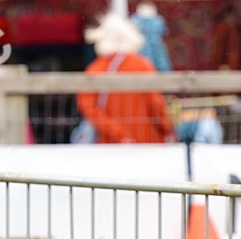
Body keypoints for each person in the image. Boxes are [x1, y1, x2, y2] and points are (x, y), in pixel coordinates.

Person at [73, 12, 175, 144]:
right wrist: (168, 130)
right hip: (147, 141)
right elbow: (156, 104)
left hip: (110, 144)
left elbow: (88, 108)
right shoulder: (143, 66)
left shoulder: (95, 69)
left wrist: (119, 134)